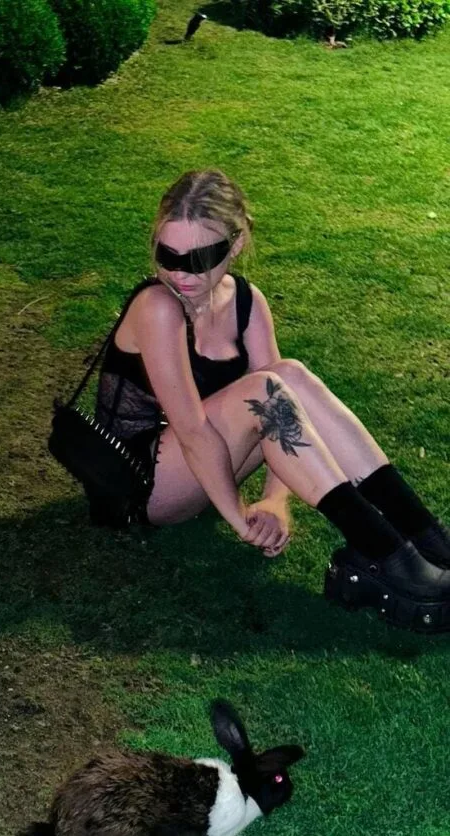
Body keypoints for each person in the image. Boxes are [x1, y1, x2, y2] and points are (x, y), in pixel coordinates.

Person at [88, 169, 450, 630]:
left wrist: (276, 500)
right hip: (139, 483)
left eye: (200, 258)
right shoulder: (157, 307)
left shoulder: (247, 301)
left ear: (236, 244)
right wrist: (239, 519)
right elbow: (194, 430)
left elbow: (286, 408)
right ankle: (389, 554)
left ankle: (427, 537)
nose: (180, 273)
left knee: (287, 375)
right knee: (264, 389)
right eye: (167, 255)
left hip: (204, 467)